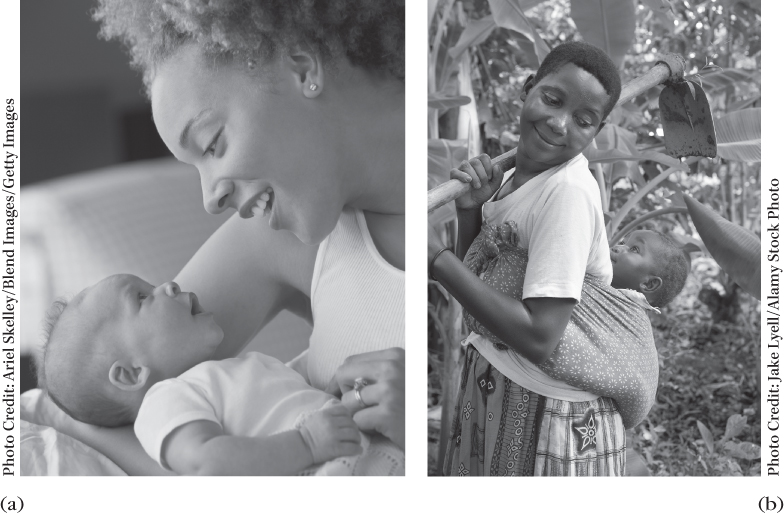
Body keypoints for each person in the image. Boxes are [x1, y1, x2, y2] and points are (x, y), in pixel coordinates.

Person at [38, 0, 405, 475]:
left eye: (211, 144)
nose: (211, 199)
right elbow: (94, 402)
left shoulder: (491, 207)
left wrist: (427, 424)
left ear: (302, 67)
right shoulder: (277, 240)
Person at [428, 41, 631, 476]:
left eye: (583, 120)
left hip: (545, 413)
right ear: (527, 87)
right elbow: (479, 286)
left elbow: (541, 337)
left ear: (597, 130)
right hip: (497, 385)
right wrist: (471, 211)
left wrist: (438, 259)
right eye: (552, 100)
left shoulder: (567, 194)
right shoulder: (519, 180)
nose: (559, 125)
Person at [37, 275, 403, 476]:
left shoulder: (229, 371)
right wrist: (306, 443)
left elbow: (284, 403)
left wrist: (330, 388)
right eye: (143, 298)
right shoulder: (163, 402)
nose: (168, 285)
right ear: (131, 374)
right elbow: (208, 465)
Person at [460, 222, 689, 430]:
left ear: (648, 283)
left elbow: (635, 373)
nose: (619, 247)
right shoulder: (587, 278)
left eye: (634, 250)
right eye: (624, 242)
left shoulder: (628, 315)